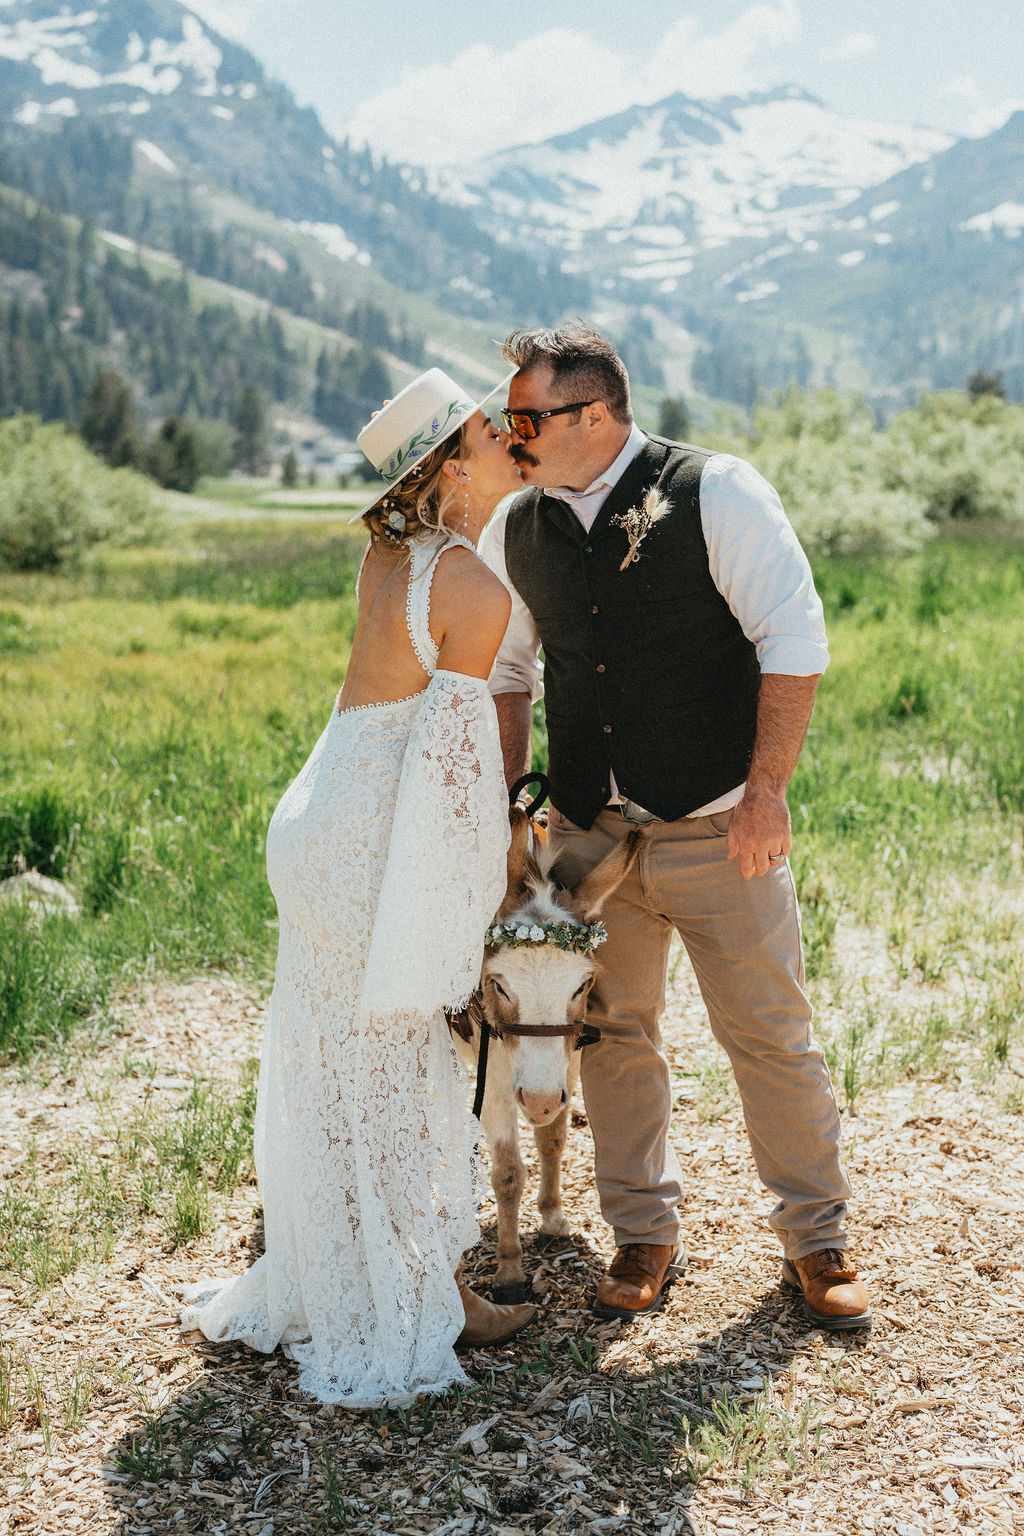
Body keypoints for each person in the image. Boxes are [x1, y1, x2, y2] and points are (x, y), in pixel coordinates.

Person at [479, 322, 870, 1332]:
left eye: (526, 415)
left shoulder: (719, 491)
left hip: (717, 823)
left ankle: (815, 1239)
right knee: (611, 1036)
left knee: (769, 1034)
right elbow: (509, 673)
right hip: (584, 840)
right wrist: (515, 803)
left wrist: (766, 791)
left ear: (593, 415)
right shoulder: (513, 527)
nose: (508, 432)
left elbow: (793, 638)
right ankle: (642, 1234)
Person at [180, 368, 535, 1407]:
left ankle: (356, 1272)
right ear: (451, 461)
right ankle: (406, 1302)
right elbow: (454, 774)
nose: (515, 437)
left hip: (318, 817)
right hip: (368, 841)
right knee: (393, 1071)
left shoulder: (393, 554)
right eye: (492, 426)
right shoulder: (471, 586)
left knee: (335, 1066)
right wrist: (485, 888)